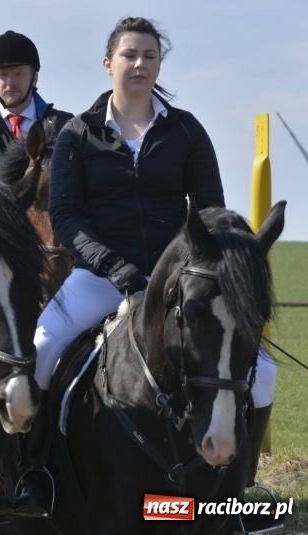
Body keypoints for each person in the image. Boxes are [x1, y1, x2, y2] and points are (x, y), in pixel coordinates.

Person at [29, 16, 278, 524]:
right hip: (99, 280)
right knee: (38, 351)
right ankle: (33, 480)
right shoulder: (77, 135)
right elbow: (68, 218)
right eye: (129, 55)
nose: (139, 64)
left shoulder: (186, 131)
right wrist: (114, 267)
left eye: (149, 56)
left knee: (265, 374)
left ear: (159, 64)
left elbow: (209, 210)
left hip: (180, 282)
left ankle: (237, 493)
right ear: (108, 64)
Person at [0, 31, 73, 172]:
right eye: (3, 74)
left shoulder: (64, 125)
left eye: (19, 74)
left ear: (34, 78)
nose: (10, 83)